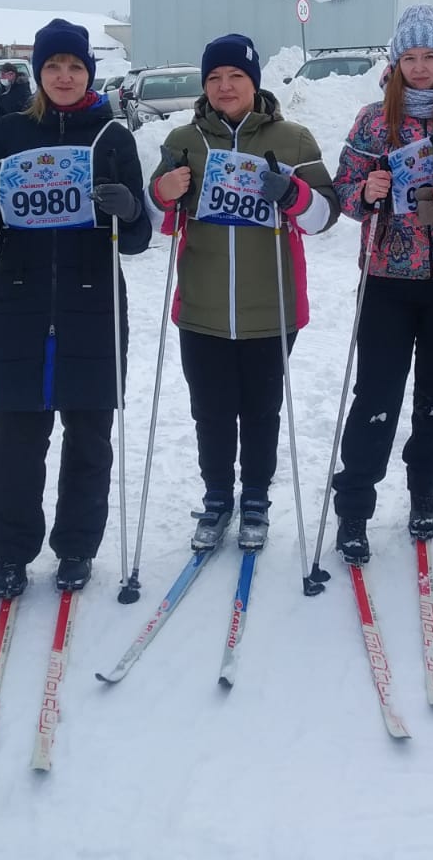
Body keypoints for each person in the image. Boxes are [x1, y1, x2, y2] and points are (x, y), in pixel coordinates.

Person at [0, 20, 150, 598]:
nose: (65, 76)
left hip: (94, 304)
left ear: (90, 72)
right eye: (54, 66)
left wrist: (130, 210)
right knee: (16, 438)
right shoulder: (9, 131)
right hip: (19, 304)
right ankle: (10, 552)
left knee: (89, 437)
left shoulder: (112, 135)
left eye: (76, 67)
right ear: (38, 73)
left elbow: (136, 240)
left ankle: (78, 547)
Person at [146, 33, 339, 551]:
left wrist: (294, 194)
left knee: (260, 409)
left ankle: (255, 495)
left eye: (235, 76)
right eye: (214, 78)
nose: (225, 86)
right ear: (204, 86)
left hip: (270, 307)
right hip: (202, 308)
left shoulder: (293, 139)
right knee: (209, 410)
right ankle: (216, 496)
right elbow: (152, 216)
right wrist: (162, 193)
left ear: (254, 82)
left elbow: (324, 217)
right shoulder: (185, 139)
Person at [328, 5, 433, 563]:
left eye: (430, 56)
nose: (419, 68)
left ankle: (424, 492)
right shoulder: (375, 118)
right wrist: (366, 191)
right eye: (409, 57)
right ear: (396, 61)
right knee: (375, 393)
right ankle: (354, 504)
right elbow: (342, 191)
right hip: (387, 276)